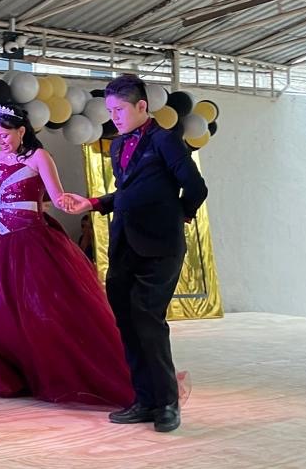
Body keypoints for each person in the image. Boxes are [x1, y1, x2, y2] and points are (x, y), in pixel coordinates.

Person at [0, 104, 137, 408]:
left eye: (5, 136)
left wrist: (82, 203)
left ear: (21, 131)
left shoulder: (40, 157)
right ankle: (13, 370)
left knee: (41, 311)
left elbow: (56, 198)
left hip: (31, 240)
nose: (0, 142)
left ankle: (52, 372)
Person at [60, 74, 208, 433]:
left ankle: (167, 403)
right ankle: (144, 400)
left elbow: (195, 186)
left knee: (147, 319)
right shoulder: (118, 145)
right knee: (126, 322)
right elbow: (128, 193)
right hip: (125, 243)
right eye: (110, 111)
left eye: (119, 110)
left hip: (160, 246)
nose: (114, 117)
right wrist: (93, 203)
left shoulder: (165, 140)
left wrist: (180, 214)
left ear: (142, 106)